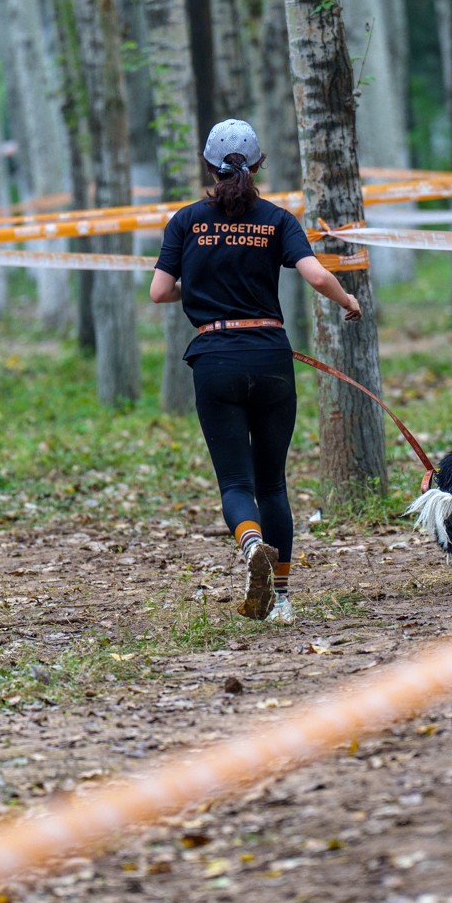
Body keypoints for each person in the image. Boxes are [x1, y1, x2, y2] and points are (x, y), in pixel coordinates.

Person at [150, 118, 363, 625]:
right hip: (270, 357)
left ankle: (249, 545)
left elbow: (160, 291)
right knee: (273, 485)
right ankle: (283, 600)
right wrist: (347, 299)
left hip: (214, 360)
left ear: (207, 164)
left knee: (235, 483)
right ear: (259, 163)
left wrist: (198, 292)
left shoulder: (186, 221)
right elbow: (314, 273)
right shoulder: (277, 219)